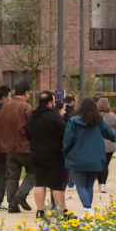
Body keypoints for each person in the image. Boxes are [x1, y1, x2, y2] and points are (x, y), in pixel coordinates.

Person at [63, 98, 116, 214]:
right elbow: (112, 136)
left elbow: (68, 141)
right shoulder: (98, 123)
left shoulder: (73, 122)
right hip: (96, 158)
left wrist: (64, 153)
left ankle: (87, 208)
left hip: (78, 158)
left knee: (81, 185)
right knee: (89, 185)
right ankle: (88, 208)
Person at [25, 91, 68, 219]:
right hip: (53, 154)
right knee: (56, 184)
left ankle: (39, 211)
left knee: (39, 182)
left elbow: (27, 132)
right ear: (50, 103)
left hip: (36, 153)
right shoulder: (54, 116)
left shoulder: (32, 116)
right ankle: (62, 212)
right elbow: (64, 132)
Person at [0, 80, 34, 213]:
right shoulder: (26, 107)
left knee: (12, 176)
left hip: (8, 146)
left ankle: (12, 205)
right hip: (24, 146)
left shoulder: (5, 106)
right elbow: (30, 127)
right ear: (26, 93)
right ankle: (21, 195)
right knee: (34, 171)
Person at [96, 97, 116, 193]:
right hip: (110, 144)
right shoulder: (112, 116)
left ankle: (99, 182)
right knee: (106, 164)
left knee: (99, 164)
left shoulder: (95, 116)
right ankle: (103, 184)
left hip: (98, 143)